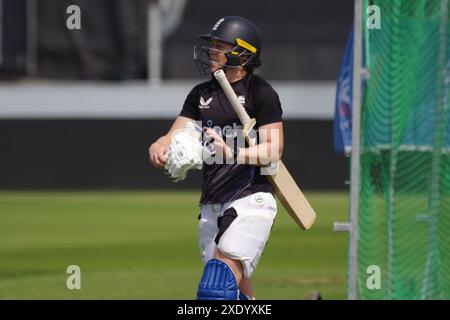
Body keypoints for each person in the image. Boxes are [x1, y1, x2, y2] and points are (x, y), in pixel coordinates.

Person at [148, 16, 284, 300]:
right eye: (211, 46)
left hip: (250, 198)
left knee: (216, 290)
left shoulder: (261, 93)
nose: (211, 52)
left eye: (219, 46)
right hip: (211, 204)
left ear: (241, 52)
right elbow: (175, 132)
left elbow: (273, 149)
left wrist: (232, 152)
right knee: (235, 297)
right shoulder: (201, 94)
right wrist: (161, 144)